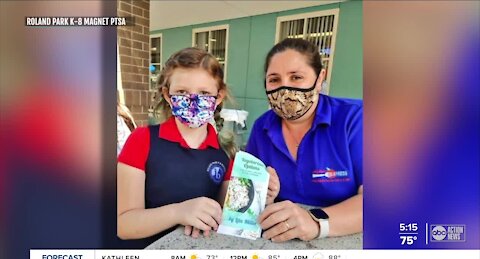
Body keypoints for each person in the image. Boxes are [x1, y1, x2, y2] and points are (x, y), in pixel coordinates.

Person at [117, 47, 280, 245]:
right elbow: (123, 225)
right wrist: (179, 212)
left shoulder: (226, 153)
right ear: (168, 96)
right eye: (182, 92)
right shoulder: (142, 140)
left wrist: (262, 195)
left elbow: (230, 218)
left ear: (218, 97)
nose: (193, 101)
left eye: (204, 93)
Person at [247, 38, 363, 242]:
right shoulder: (261, 128)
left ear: (319, 79)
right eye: (274, 79)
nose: (284, 88)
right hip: (280, 241)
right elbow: (247, 199)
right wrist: (263, 197)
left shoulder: (354, 119)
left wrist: (316, 222)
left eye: (296, 77)